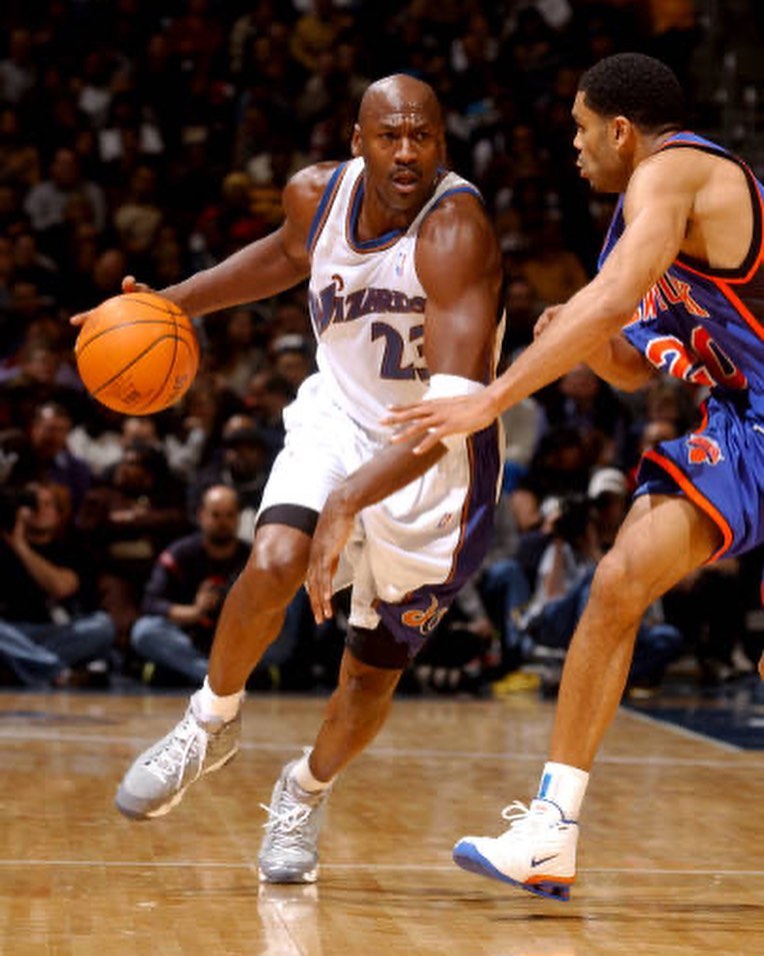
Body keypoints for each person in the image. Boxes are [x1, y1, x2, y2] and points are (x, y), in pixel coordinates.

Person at [74, 75, 504, 883]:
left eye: (423, 137)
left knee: (369, 677)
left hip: (436, 459)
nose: (406, 152)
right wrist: (168, 305)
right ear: (358, 140)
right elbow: (282, 256)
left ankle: (304, 791)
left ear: (443, 144)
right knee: (271, 558)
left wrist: (351, 500)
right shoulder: (316, 197)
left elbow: (454, 414)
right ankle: (211, 720)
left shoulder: (458, 232)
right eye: (389, 136)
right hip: (339, 420)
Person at [384, 52, 764, 900]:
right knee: (619, 581)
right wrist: (589, 336)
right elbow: (632, 368)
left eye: (582, 130)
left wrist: (492, 396)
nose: (575, 146)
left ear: (623, 131)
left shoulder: (673, 175)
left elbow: (614, 292)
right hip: (745, 423)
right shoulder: (642, 217)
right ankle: (552, 831)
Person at [130, 484, 251, 686]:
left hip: (238, 643)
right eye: (215, 515)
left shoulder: (254, 559)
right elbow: (151, 602)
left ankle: (207, 675)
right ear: (201, 515)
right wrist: (195, 611)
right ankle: (216, 678)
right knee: (144, 631)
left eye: (230, 515)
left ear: (238, 518)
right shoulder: (179, 554)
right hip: (188, 639)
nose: (223, 522)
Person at [0, 480, 115, 687]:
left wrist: (21, 547)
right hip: (12, 631)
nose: (39, 510)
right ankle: (57, 672)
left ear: (60, 513)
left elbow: (61, 588)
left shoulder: (72, 549)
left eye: (47, 504)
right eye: (32, 504)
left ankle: (22, 665)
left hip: (56, 632)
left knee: (102, 625)